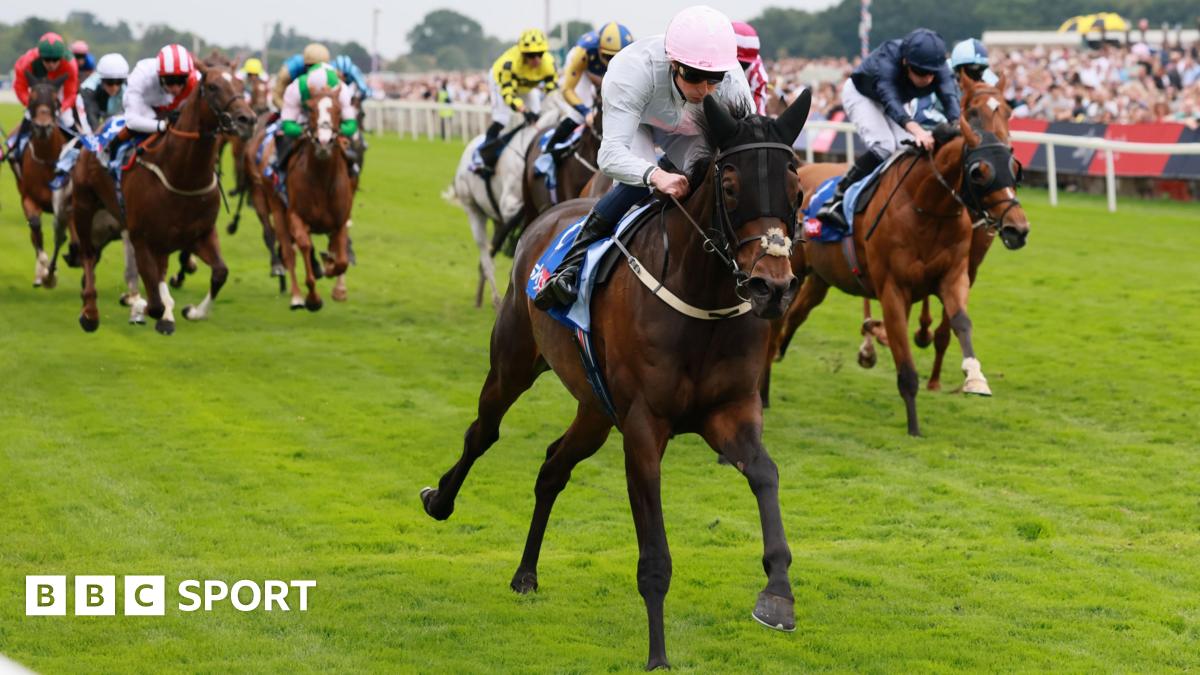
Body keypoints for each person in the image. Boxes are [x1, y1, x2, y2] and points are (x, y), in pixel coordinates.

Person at [533, 5, 753, 310]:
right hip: (638, 123)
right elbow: (609, 156)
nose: (704, 90)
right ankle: (571, 266)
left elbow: (749, 148)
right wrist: (656, 174)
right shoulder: (630, 70)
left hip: (689, 131)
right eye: (694, 77)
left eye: (713, 79)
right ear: (674, 64)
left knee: (710, 180)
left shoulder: (732, 81)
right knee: (640, 184)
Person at [815, 28, 959, 232]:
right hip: (864, 94)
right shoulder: (888, 59)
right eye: (920, 72)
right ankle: (836, 199)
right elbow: (890, 102)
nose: (927, 78)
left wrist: (957, 126)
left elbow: (950, 99)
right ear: (905, 63)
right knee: (885, 146)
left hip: (897, 100)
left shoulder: (939, 68)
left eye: (931, 73)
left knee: (905, 150)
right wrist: (917, 130)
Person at [476, 29, 558, 173]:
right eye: (532, 55)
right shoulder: (509, 64)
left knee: (539, 117)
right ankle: (484, 157)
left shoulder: (549, 63)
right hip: (500, 81)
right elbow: (508, 94)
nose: (537, 59)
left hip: (526, 85)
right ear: (523, 54)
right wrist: (524, 110)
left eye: (540, 54)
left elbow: (552, 88)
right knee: (502, 119)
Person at [544, 22, 635, 153]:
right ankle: (549, 151)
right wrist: (586, 112)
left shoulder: (633, 57)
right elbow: (567, 90)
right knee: (580, 114)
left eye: (618, 57)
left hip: (600, 71)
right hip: (585, 67)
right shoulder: (583, 52)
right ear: (599, 49)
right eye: (608, 57)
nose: (613, 62)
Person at [273, 61, 359, 177]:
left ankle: (352, 171)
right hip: (303, 120)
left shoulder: (342, 90)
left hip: (331, 126)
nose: (324, 90)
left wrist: (338, 130)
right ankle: (279, 170)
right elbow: (288, 125)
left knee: (354, 146)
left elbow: (351, 125)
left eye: (328, 89)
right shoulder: (297, 87)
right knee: (284, 141)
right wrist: (302, 131)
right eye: (319, 91)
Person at [10, 32, 81, 150]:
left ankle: (79, 149)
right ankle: (16, 149)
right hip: (37, 91)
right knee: (29, 116)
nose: (51, 64)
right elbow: (20, 87)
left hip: (58, 90)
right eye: (47, 60)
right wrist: (31, 104)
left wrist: (61, 109)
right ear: (40, 56)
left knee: (67, 118)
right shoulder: (27, 62)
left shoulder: (70, 64)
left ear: (61, 56)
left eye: (55, 60)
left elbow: (70, 94)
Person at [914, 38, 997, 127]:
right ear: (956, 70)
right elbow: (921, 115)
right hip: (939, 130)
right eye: (971, 71)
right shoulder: (936, 76)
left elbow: (998, 110)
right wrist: (955, 124)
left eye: (981, 71)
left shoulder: (990, 79)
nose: (975, 80)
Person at [123, 44, 199, 137]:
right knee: (150, 121)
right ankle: (111, 147)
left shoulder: (196, 79)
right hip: (145, 104)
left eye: (181, 80)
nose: (176, 88)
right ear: (160, 76)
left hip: (167, 107)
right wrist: (162, 125)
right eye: (170, 81)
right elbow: (131, 121)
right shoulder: (141, 76)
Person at [76, 53, 129, 135]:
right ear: (101, 80)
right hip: (88, 117)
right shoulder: (89, 89)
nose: (114, 87)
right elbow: (92, 120)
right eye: (110, 82)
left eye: (119, 82)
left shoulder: (129, 86)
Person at [271, 43, 331, 110]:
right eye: (312, 66)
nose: (316, 72)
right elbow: (276, 97)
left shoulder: (330, 72)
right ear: (305, 64)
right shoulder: (288, 71)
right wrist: (288, 111)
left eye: (320, 68)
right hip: (289, 103)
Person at [732, 21, 771, 115]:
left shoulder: (758, 75)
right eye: (738, 62)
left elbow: (758, 116)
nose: (740, 69)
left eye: (744, 64)